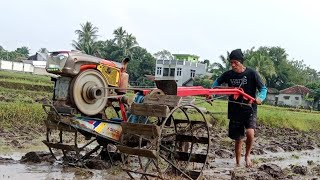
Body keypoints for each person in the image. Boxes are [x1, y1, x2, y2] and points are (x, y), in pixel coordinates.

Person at [212, 49, 267, 167]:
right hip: (235, 109)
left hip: (249, 108)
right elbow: (217, 82)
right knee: (238, 138)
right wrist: (211, 93)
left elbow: (263, 89)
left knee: (250, 133)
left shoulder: (252, 74)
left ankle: (247, 156)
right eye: (231, 62)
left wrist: (260, 98)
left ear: (241, 62)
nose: (233, 65)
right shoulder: (228, 74)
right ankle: (237, 163)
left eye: (235, 62)